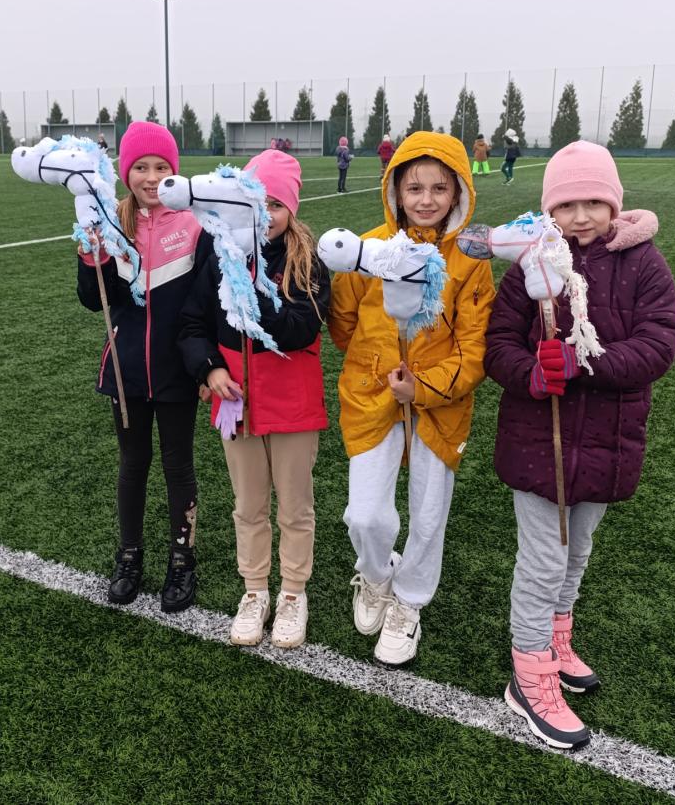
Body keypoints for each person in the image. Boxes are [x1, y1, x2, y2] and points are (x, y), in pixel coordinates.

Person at [484, 140, 675, 750]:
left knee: (576, 553)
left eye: (594, 202)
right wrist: (532, 373)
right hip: (538, 441)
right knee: (543, 561)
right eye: (566, 205)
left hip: (606, 439)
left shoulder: (644, 263)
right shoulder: (532, 262)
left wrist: (583, 360)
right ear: (550, 211)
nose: (581, 216)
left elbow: (660, 343)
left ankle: (557, 638)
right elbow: (498, 344)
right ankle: (529, 675)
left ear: (614, 204)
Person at [331, 132, 495, 665]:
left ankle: (409, 601)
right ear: (395, 191)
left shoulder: (469, 260)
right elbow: (344, 324)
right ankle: (376, 575)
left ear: (459, 192)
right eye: (414, 188)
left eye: (439, 188)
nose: (426, 200)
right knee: (364, 515)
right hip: (372, 395)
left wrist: (422, 387)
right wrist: (379, 369)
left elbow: (475, 348)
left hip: (441, 406)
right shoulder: (370, 248)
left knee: (427, 517)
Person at [180, 149, 331, 649]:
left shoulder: (308, 261)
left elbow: (300, 328)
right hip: (237, 404)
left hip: (293, 407)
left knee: (295, 508)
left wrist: (253, 291)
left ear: (292, 209)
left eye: (276, 205)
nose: (265, 215)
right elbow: (192, 323)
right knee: (248, 506)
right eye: (254, 204)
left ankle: (293, 593)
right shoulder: (218, 255)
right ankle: (255, 590)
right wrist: (210, 367)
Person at [77, 121, 212, 613]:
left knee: (179, 465)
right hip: (127, 370)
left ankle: (182, 559)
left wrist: (205, 367)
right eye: (140, 167)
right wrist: (90, 257)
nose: (151, 177)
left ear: (174, 171)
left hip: (178, 371)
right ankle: (129, 557)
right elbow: (94, 300)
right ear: (125, 173)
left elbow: (208, 303)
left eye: (161, 167)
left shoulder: (195, 224)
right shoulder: (110, 223)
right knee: (132, 464)